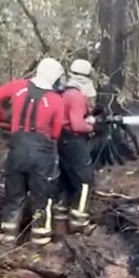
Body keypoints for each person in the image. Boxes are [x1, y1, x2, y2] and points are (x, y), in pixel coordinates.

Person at [0, 58, 65, 245]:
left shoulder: (18, 86)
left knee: (14, 194)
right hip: (41, 154)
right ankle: (40, 241)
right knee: (41, 196)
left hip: (17, 150)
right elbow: (55, 132)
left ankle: (8, 238)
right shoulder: (56, 100)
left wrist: (3, 116)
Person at [54, 59, 99, 233]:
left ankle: (60, 221)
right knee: (85, 181)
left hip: (61, 140)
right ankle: (79, 223)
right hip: (74, 140)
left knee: (65, 179)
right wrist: (94, 127)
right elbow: (77, 125)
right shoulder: (77, 95)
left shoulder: (64, 91)